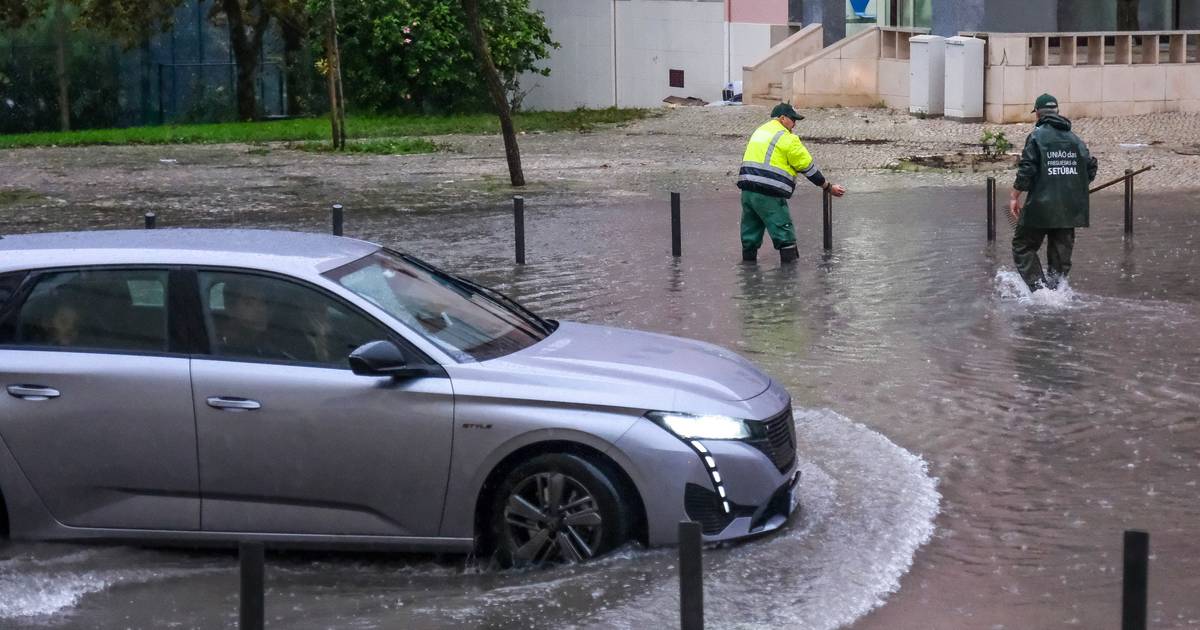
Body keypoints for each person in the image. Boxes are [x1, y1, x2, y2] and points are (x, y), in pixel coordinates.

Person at [1009, 93, 1098, 291]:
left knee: (1023, 245)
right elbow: (1090, 168)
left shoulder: (1036, 136)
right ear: (1057, 112)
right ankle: (1057, 294)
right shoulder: (1075, 140)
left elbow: (1027, 169)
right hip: (1069, 209)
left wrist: (1015, 196)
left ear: (1038, 115)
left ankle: (1039, 291)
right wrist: (1073, 187)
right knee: (1060, 259)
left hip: (1040, 207)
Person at [736, 103, 845, 263]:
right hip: (769, 193)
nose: (794, 124)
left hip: (747, 190)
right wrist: (828, 187)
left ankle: (749, 275)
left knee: (750, 235)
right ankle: (789, 279)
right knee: (784, 235)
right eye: (793, 120)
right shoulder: (786, 138)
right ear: (782, 118)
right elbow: (807, 167)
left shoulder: (760, 131)